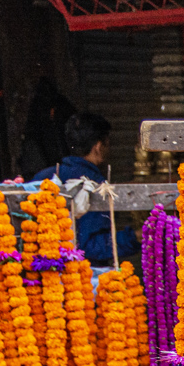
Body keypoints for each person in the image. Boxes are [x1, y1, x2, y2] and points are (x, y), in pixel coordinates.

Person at [30, 111, 141, 265]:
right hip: (82, 272)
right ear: (98, 147)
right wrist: (135, 237)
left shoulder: (43, 177)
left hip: (44, 268)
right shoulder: (96, 184)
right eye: (107, 144)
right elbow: (90, 246)